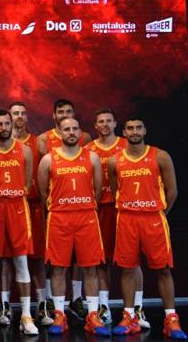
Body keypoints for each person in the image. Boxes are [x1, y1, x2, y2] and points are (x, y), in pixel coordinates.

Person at [108, 117, 186, 339]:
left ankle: (171, 319)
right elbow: (116, 191)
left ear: (145, 130)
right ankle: (128, 316)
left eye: (138, 127)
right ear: (124, 131)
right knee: (127, 269)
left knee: (163, 269)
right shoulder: (115, 161)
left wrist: (158, 211)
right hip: (127, 219)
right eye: (130, 128)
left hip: (153, 218)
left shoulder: (160, 156)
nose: (134, 131)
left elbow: (172, 192)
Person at [37, 117, 109, 336]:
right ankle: (59, 313)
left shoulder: (93, 157)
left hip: (86, 217)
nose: (70, 132)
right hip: (59, 217)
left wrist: (84, 205)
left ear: (80, 132)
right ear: (59, 132)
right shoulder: (48, 159)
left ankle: (93, 315)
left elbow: (97, 190)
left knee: (90, 267)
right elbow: (42, 193)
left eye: (74, 128)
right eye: (66, 129)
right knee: (58, 267)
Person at [0, 109, 37, 335]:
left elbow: (29, 184)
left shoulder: (25, 150)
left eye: (7, 123)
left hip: (17, 207)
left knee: (21, 261)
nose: (4, 127)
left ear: (12, 125)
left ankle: (26, 315)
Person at [37, 99, 91, 322]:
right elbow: (44, 184)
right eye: (61, 112)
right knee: (55, 260)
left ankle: (77, 298)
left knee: (81, 259)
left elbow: (92, 183)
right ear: (54, 116)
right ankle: (52, 301)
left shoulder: (85, 138)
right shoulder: (43, 140)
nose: (64, 115)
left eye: (69, 112)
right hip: (57, 207)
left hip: (83, 209)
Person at [8, 102, 52, 326]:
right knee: (6, 259)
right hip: (8, 208)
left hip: (33, 207)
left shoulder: (38, 143)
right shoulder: (1, 145)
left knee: (37, 260)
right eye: (15, 113)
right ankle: (5, 308)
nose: (19, 116)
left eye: (23, 113)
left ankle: (42, 306)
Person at [84, 108, 129, 325]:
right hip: (97, 210)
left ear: (115, 123)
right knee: (100, 261)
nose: (104, 124)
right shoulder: (87, 149)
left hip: (123, 210)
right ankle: (104, 307)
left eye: (108, 121)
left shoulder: (126, 145)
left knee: (130, 262)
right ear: (95, 126)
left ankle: (134, 310)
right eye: (100, 121)